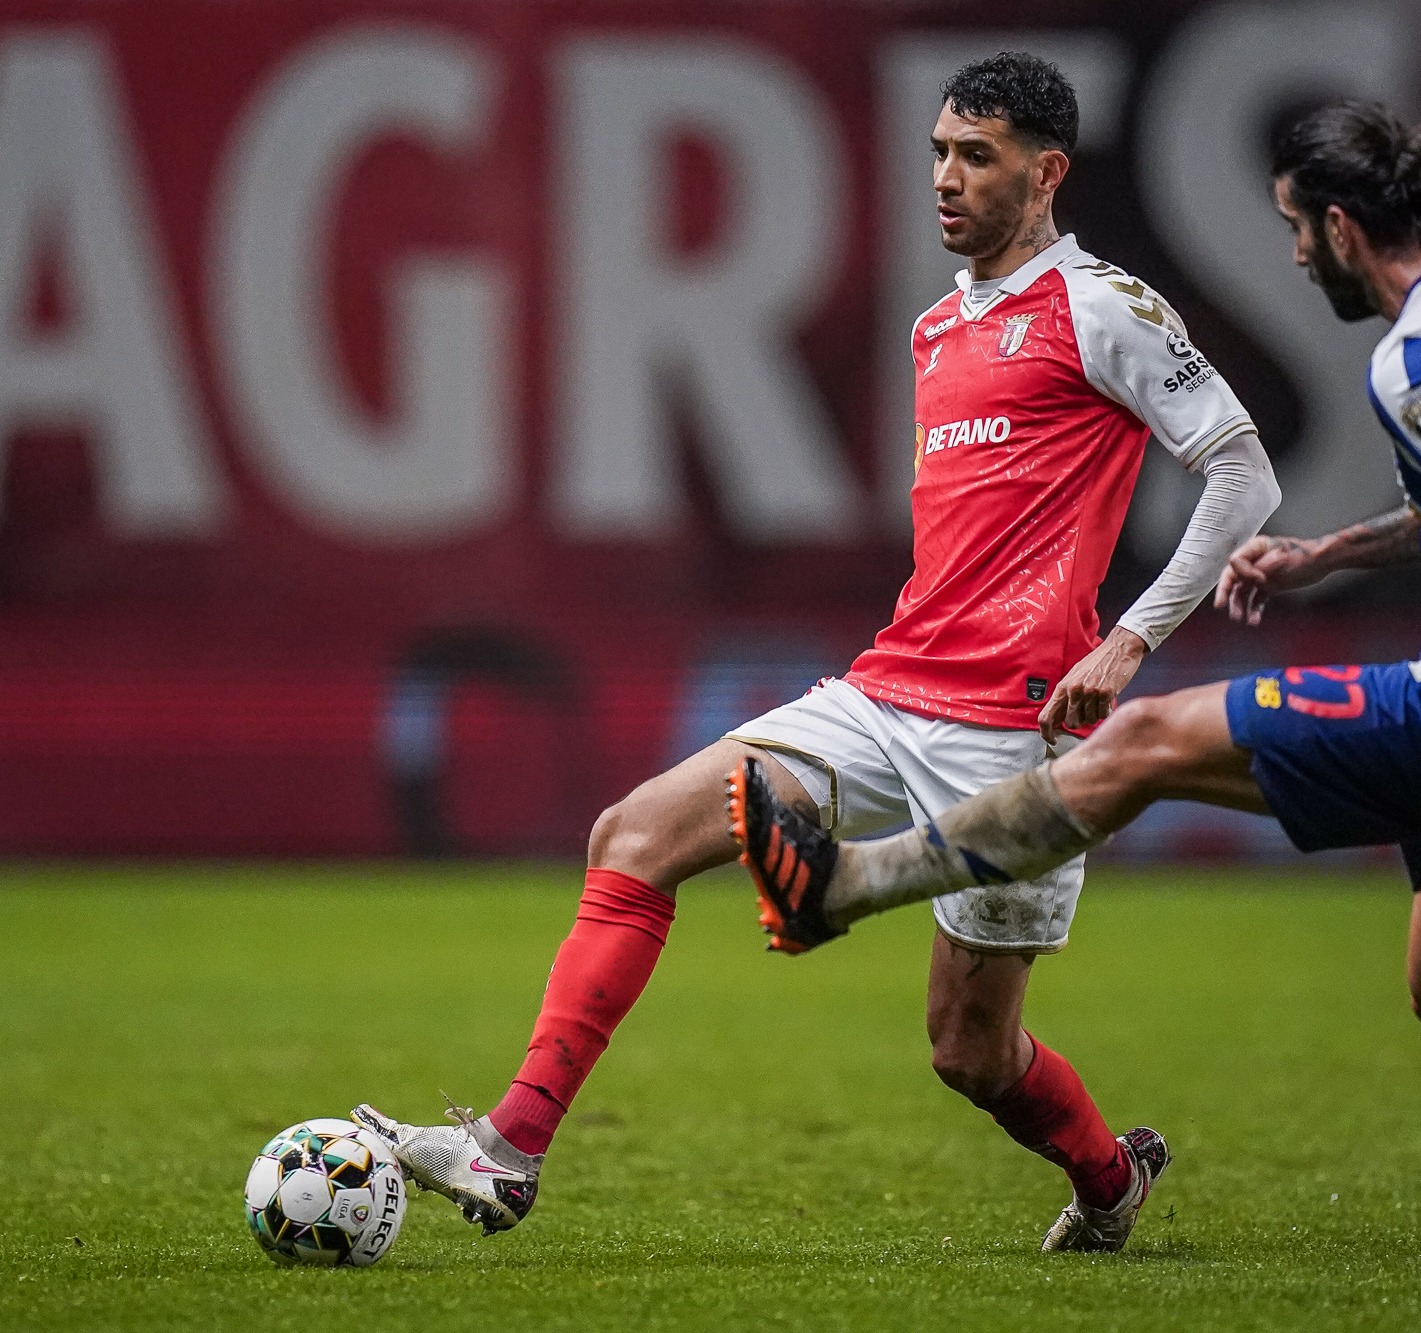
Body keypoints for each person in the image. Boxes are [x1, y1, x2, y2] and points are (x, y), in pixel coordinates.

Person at [733, 101, 1421, 1294]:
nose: (1294, 257)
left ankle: (847, 884)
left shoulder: (1414, 356)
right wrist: (1326, 554)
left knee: (1143, 741)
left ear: (1340, 226)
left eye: (1295, 231)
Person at [350, 51, 1281, 1255]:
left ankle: (1107, 1178)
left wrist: (1128, 638)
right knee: (633, 833)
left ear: (1046, 173)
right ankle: (509, 1146)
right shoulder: (936, 325)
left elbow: (1241, 471)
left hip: (1019, 729)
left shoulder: (1102, 307)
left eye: (976, 155)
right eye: (938, 151)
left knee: (969, 1051)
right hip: (887, 691)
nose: (944, 176)